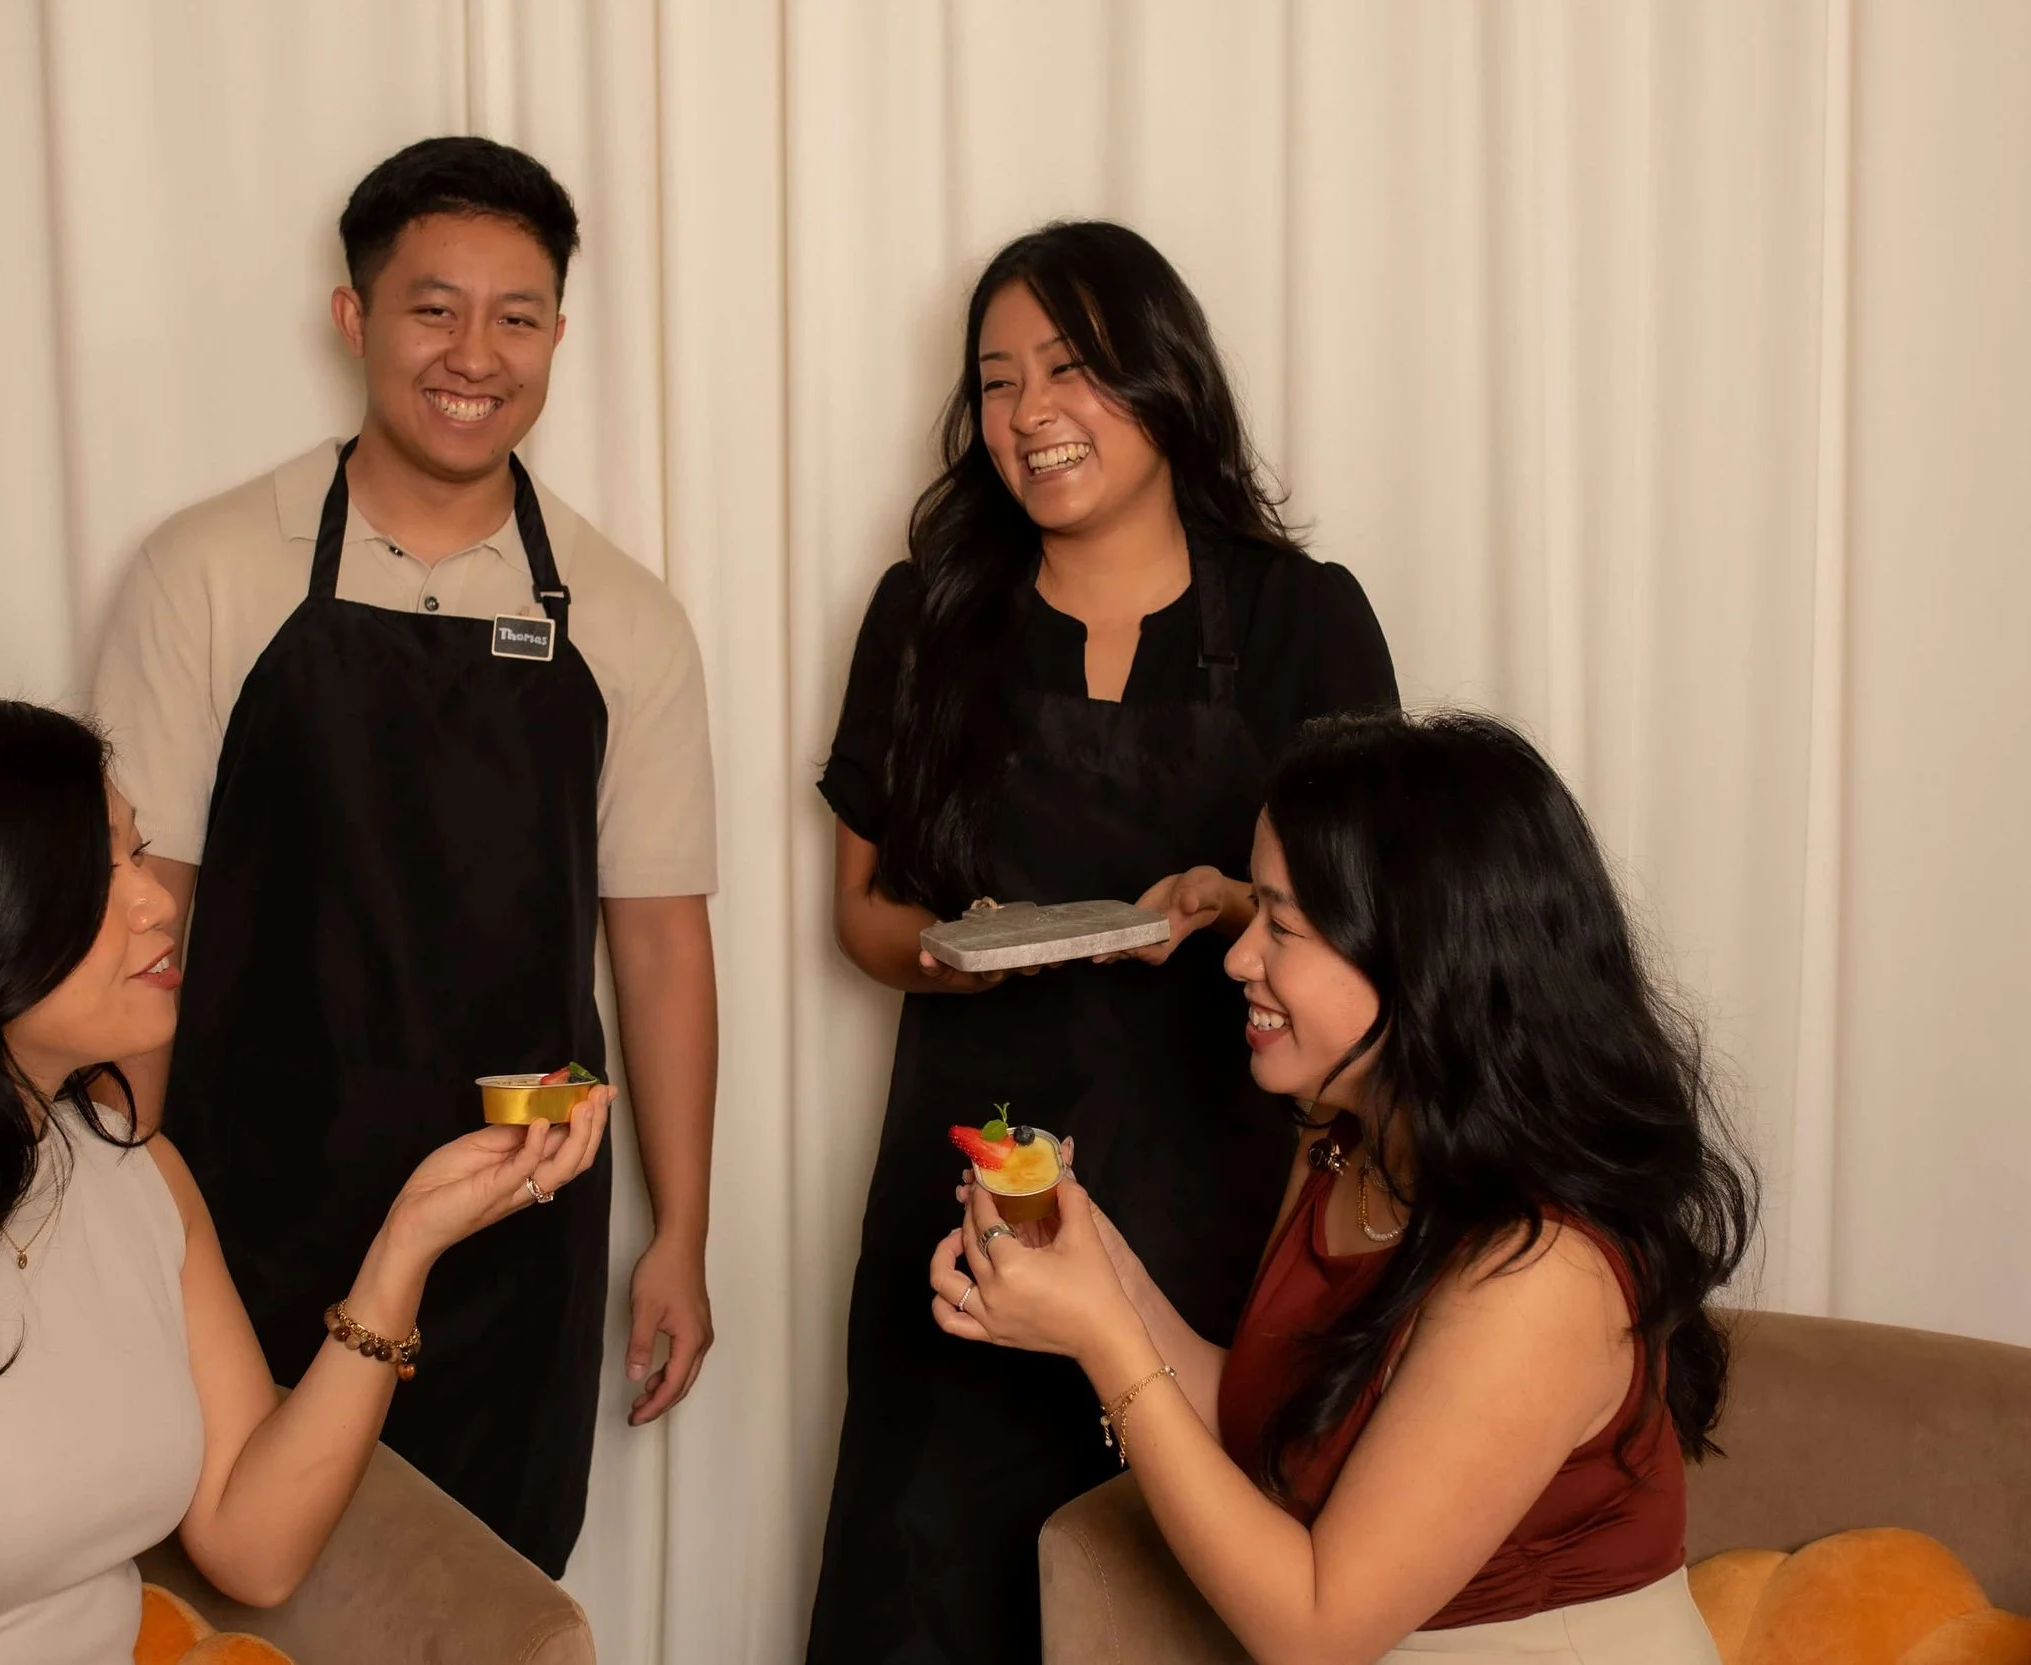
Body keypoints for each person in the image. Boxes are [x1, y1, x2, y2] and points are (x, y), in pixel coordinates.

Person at [0, 694, 611, 1663]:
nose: (157, 899)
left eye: (136, 852)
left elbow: (251, 1544)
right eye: (96, 872)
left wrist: (407, 1243)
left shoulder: (134, 1171)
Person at [92, 136, 717, 1574]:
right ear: (354, 317)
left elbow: (662, 942)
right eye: (433, 308)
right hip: (238, 1212)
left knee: (480, 1603)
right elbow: (141, 918)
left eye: (518, 315)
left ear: (561, 331)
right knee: (235, 1596)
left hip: (518, 1226)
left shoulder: (624, 618)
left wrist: (680, 1228)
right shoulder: (210, 570)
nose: (474, 353)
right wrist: (118, 1228)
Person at [806, 220, 1399, 1662]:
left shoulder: (1298, 617)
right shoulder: (925, 614)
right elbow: (862, 916)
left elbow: (1385, 917)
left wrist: (1234, 905)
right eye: (996, 381)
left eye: (1069, 368)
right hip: (971, 1200)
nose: (1027, 415)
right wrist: (947, 951)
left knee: (1184, 1590)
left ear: (1163, 376)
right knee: (928, 1587)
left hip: (1225, 1200)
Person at [930, 711, 1755, 1663]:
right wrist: (1091, 1263)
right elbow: (1263, 1425)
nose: (1240, 958)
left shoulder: (1545, 1270)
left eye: (1282, 925)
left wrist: (1102, 1338)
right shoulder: (1342, 1137)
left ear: (1424, 961)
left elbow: (1316, 1627)